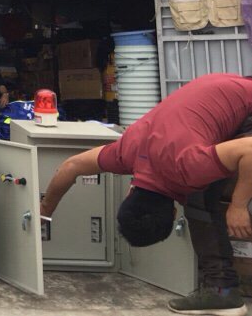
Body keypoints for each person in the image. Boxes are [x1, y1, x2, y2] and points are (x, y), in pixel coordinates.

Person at [40, 72, 252, 316]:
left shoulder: (188, 166)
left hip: (246, 107)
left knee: (202, 197)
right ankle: (223, 292)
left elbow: (249, 150)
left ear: (174, 213)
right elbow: (71, 166)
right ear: (129, 193)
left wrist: (238, 206)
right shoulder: (127, 152)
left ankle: (221, 291)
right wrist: (44, 211)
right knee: (203, 190)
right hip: (229, 95)